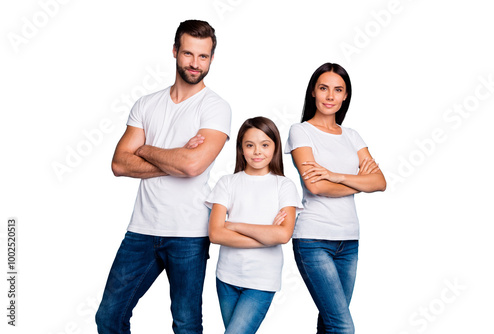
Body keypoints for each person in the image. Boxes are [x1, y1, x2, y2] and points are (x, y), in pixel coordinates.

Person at [95, 20, 231, 334]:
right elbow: (119, 164)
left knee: (185, 324)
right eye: (188, 54)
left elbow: (193, 166)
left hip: (189, 232)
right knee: (108, 317)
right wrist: (177, 156)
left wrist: (145, 149)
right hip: (140, 230)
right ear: (174, 52)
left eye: (203, 57)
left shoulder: (216, 107)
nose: (195, 64)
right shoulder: (146, 104)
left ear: (211, 59)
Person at [285, 63, 386, 334]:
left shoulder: (352, 136)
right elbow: (315, 186)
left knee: (330, 324)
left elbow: (380, 182)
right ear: (313, 93)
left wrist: (336, 176)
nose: (330, 96)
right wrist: (357, 180)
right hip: (313, 239)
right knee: (342, 327)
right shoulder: (300, 131)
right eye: (324, 88)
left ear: (345, 97)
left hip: (349, 240)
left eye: (338, 90)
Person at [206, 117, 302, 334]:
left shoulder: (284, 186)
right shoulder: (227, 183)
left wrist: (233, 225)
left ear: (275, 147)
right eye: (250, 145)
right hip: (226, 278)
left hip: (262, 280)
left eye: (265, 145)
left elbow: (283, 235)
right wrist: (266, 235)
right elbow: (215, 234)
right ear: (241, 149)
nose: (257, 151)